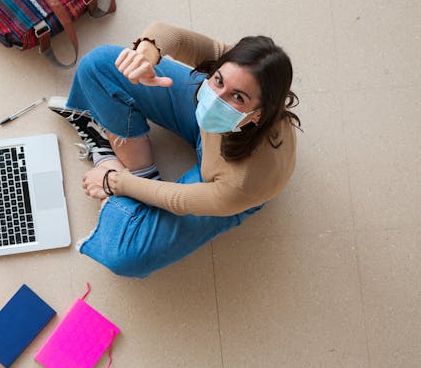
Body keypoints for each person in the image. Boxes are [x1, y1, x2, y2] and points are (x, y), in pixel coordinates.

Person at [49, 22, 300, 278]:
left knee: (122, 254)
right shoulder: (243, 70)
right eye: (217, 80)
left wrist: (114, 180)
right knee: (99, 65)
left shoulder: (243, 182)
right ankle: (140, 174)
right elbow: (175, 37)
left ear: (258, 115)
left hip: (224, 182)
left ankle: (112, 157)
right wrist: (145, 55)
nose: (216, 98)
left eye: (238, 97)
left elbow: (178, 200)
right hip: (215, 136)